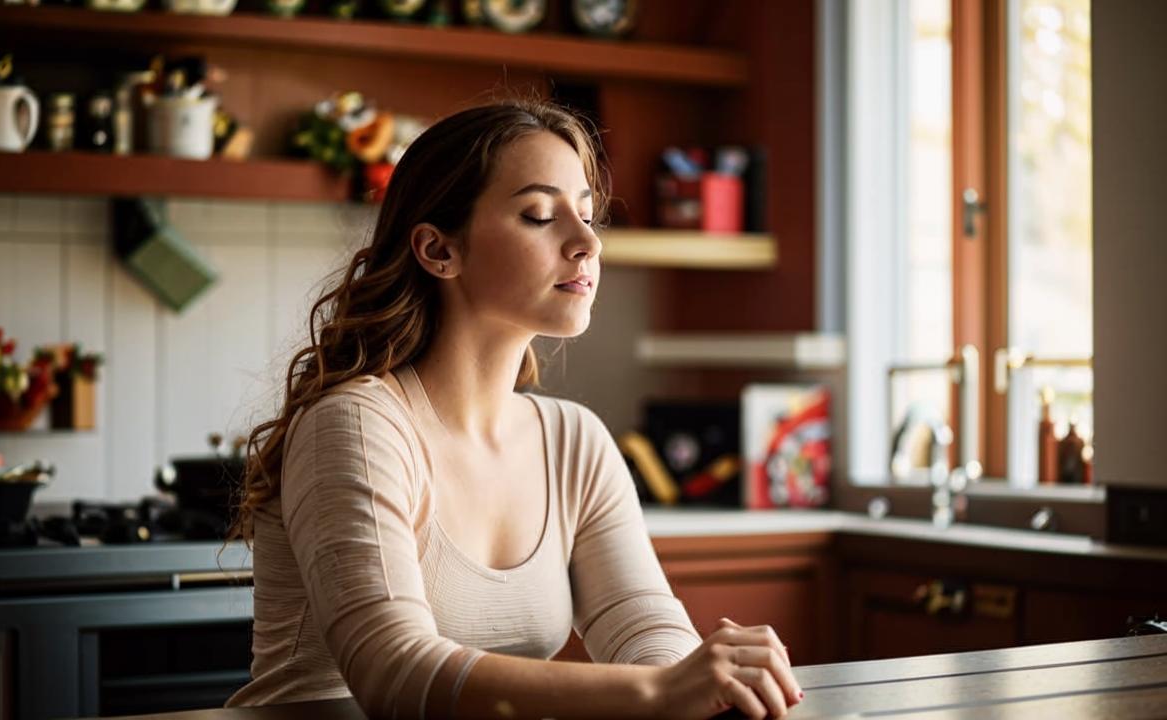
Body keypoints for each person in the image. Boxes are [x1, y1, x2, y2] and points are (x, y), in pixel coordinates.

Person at [225, 99, 803, 719]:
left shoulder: (572, 439)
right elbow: (391, 673)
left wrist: (705, 677)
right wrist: (659, 692)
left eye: (587, 215)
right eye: (538, 215)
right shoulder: (358, 425)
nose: (587, 243)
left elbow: (644, 628)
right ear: (438, 250)